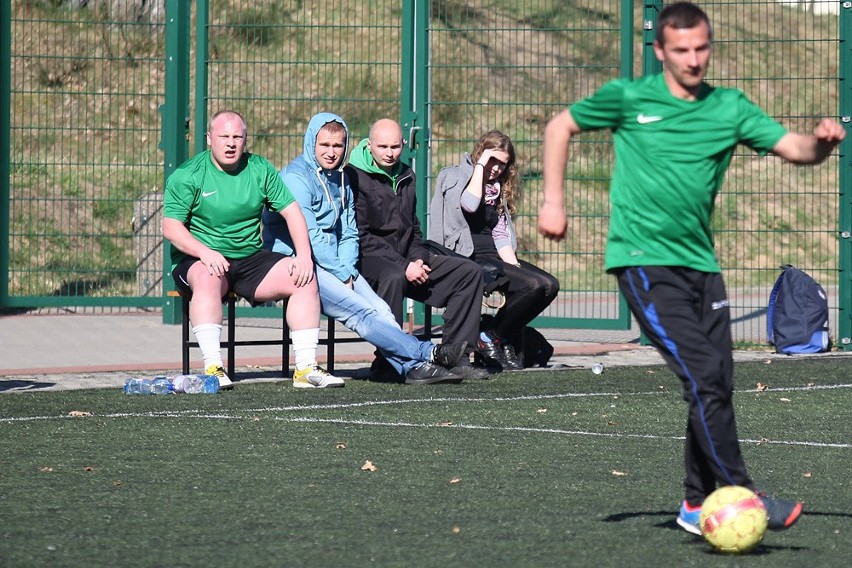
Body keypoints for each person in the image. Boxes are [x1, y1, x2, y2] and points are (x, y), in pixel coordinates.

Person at [539, 1, 845, 535]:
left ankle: (694, 501)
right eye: (681, 50)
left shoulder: (728, 108)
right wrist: (554, 201)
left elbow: (794, 148)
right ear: (660, 51)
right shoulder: (631, 98)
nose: (693, 59)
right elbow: (560, 126)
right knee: (704, 376)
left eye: (701, 47)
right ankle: (745, 494)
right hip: (643, 262)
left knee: (718, 380)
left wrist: (819, 144)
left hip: (702, 267)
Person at [262, 112, 470, 384]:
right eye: (324, 145)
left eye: (338, 145)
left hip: (337, 264)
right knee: (360, 312)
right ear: (311, 142)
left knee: (381, 311)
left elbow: (349, 230)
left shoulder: (341, 178)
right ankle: (427, 353)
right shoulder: (296, 178)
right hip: (298, 263)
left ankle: (410, 368)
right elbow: (310, 235)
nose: (331, 152)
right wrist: (341, 272)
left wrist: (347, 269)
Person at [163, 110, 344, 389]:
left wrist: (304, 256)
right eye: (224, 136)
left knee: (303, 277)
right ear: (209, 139)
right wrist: (204, 253)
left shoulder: (260, 169)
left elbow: (293, 213)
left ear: (245, 140)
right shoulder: (188, 175)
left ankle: (306, 368)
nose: (231, 143)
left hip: (249, 258)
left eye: (237, 136)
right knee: (208, 278)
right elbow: (171, 228)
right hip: (200, 259)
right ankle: (213, 368)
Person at [346, 118, 489, 378]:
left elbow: (413, 229)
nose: (389, 153)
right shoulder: (353, 177)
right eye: (382, 147)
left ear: (403, 145)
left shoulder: (406, 175)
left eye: (395, 147)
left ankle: (455, 355)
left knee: (469, 272)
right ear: (369, 145)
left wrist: (419, 260)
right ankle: (390, 360)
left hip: (406, 260)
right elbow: (361, 236)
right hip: (368, 261)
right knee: (394, 275)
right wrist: (405, 266)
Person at [430, 129, 559, 370]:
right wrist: (480, 166)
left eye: (503, 164)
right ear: (481, 154)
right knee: (533, 285)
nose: (497, 168)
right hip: (466, 254)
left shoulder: (498, 188)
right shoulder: (456, 176)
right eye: (493, 161)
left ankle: (494, 335)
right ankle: (492, 338)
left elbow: (500, 234)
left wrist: (514, 264)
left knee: (548, 285)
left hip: (494, 254)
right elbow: (469, 205)